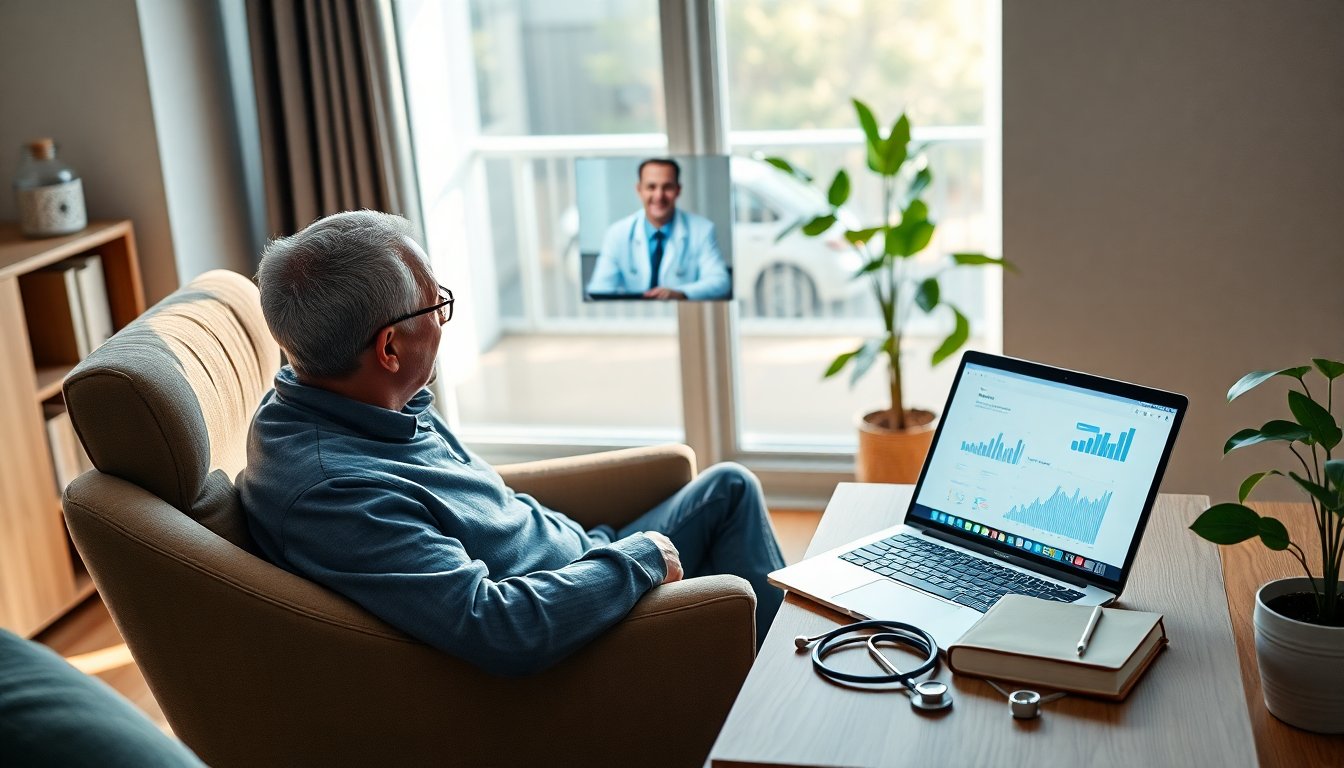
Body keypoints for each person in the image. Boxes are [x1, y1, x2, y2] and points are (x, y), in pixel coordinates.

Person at [237, 210, 784, 677]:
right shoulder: (335, 494)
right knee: (740, 575)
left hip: (587, 555)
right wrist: (635, 562)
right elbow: (495, 626)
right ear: (389, 349)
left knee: (729, 489)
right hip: (582, 623)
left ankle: (784, 670)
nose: (443, 321)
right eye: (435, 306)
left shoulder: (345, 396)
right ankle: (784, 710)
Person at [586, 158, 731, 300]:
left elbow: (720, 282)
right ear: (639, 190)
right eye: (651, 187)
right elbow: (599, 288)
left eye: (667, 187)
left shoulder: (702, 230)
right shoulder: (617, 233)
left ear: (678, 190)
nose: (659, 196)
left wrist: (680, 293)